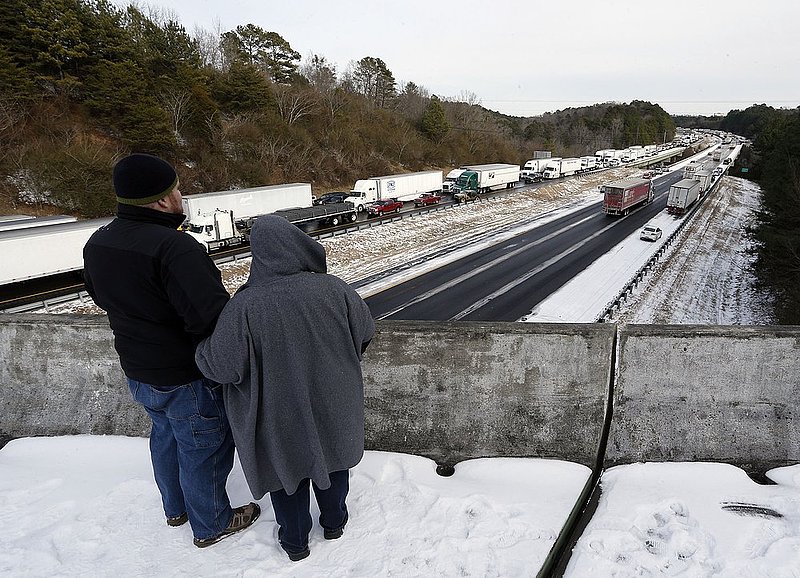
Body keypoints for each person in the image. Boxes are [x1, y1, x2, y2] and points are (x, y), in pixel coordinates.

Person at [82, 153, 260, 548]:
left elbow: (99, 297)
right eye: (176, 189)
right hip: (184, 374)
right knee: (203, 447)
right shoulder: (176, 248)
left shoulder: (99, 242)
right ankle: (211, 523)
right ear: (163, 200)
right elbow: (211, 318)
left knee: (164, 436)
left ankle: (175, 509)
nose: (181, 194)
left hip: (138, 370)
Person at [195, 215, 375, 562]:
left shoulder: (244, 306)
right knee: (334, 458)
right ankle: (334, 521)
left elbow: (222, 368)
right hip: (334, 401)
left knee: (286, 473)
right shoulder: (336, 289)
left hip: (276, 412)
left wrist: (201, 350)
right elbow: (365, 332)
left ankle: (295, 542)